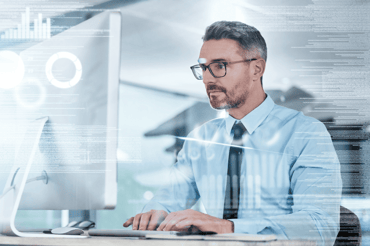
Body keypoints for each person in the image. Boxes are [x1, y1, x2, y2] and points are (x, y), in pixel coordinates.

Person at [123, 21, 342, 246]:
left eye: (220, 66)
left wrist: (228, 227)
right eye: (204, 68)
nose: (208, 79)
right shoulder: (200, 140)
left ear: (256, 69)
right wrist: (155, 213)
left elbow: (319, 227)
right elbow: (170, 197)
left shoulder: (305, 133)